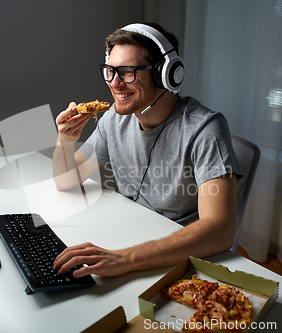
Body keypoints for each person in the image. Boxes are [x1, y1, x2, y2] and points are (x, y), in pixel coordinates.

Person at [52, 22, 243, 279]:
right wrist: (64, 140)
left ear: (166, 74)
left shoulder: (205, 129)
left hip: (181, 260)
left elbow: (220, 231)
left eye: (128, 71)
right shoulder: (113, 120)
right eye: (110, 71)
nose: (115, 83)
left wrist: (125, 259)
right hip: (132, 239)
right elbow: (66, 180)